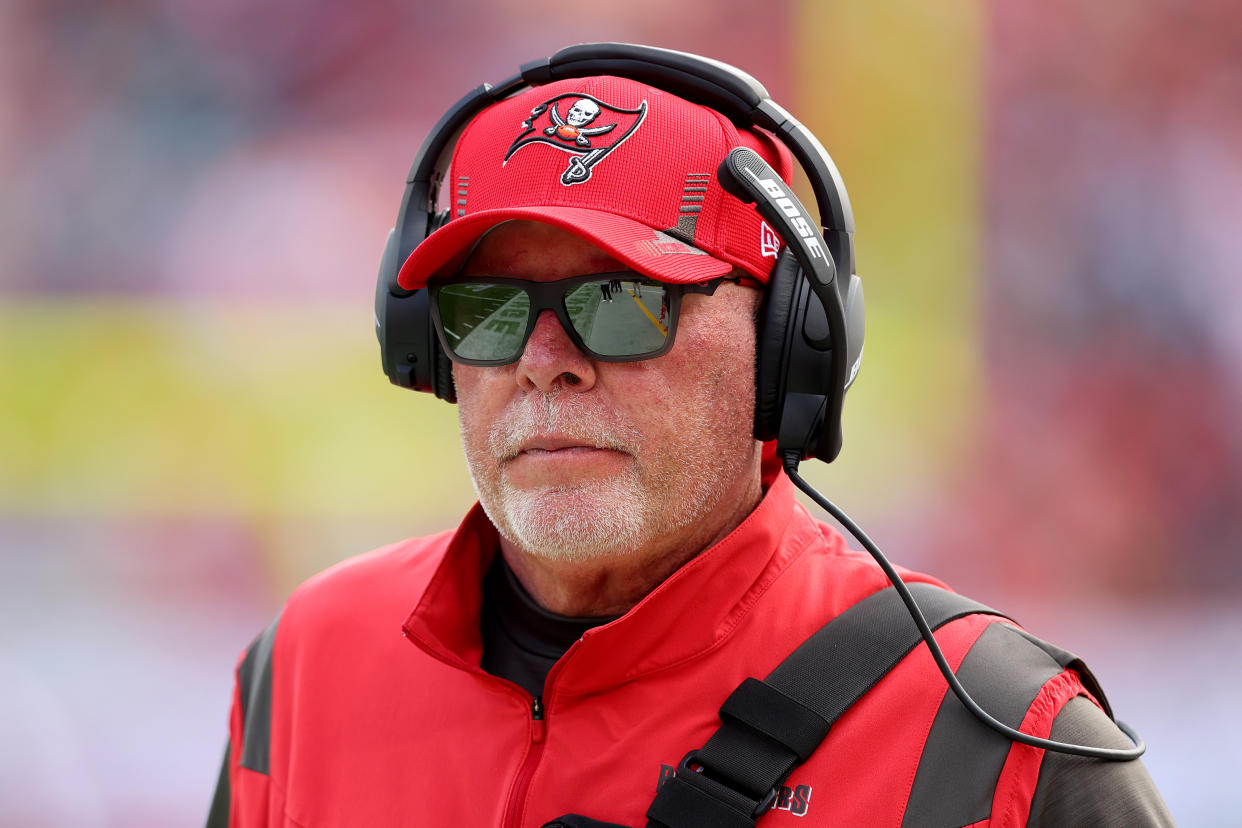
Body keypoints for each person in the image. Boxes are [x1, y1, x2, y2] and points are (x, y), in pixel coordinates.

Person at [207, 47, 1174, 827]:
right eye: (488, 310)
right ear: (426, 347)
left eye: (621, 302)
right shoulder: (304, 666)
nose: (544, 359)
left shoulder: (996, 741)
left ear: (789, 340)